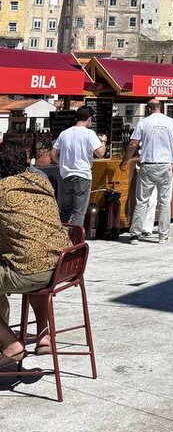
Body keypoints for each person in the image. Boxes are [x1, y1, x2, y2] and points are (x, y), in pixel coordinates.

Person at [0, 140, 69, 367]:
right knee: (33, 259)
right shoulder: (42, 180)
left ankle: (10, 344)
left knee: (28, 264)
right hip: (62, 265)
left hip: (33, 272)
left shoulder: (2, 189)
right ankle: (43, 335)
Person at [121, 98, 173, 244]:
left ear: (148, 109)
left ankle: (135, 235)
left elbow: (133, 144)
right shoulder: (171, 122)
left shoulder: (143, 122)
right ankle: (163, 235)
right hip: (165, 165)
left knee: (142, 201)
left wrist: (125, 160)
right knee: (164, 202)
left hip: (148, 165)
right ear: (161, 107)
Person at [50, 105, 106, 225]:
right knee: (78, 212)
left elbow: (53, 154)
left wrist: (61, 163)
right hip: (82, 176)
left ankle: (62, 234)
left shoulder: (64, 133)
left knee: (65, 210)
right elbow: (100, 153)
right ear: (89, 119)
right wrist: (103, 141)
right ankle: (75, 235)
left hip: (65, 175)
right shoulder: (89, 133)